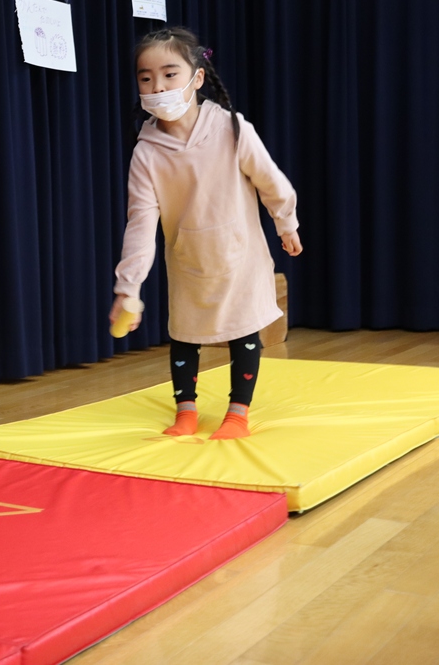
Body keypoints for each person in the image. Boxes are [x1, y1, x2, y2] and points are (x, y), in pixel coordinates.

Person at [110, 27, 303, 440]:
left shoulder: (231, 129)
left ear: (197, 78)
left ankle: (237, 414)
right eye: (146, 78)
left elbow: (270, 181)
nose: (158, 87)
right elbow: (140, 223)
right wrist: (128, 288)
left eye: (170, 74)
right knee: (184, 334)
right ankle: (186, 412)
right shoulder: (146, 153)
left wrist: (285, 222)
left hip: (241, 256)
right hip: (189, 261)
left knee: (244, 330)